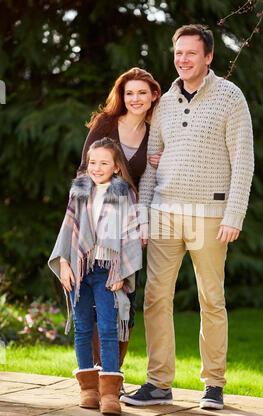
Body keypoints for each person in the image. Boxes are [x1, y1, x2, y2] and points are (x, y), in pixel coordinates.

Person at [121, 24, 254, 410]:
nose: (182, 60)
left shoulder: (230, 97)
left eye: (191, 53)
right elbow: (150, 163)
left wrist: (234, 214)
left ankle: (214, 385)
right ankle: (159, 383)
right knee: (156, 298)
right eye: (178, 53)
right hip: (163, 212)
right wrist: (144, 213)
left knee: (211, 299)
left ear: (208, 57)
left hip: (211, 215)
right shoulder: (163, 102)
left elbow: (243, 161)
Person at [48, 138, 142, 415]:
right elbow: (68, 230)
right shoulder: (79, 191)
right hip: (79, 268)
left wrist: (122, 273)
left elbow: (130, 236)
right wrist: (64, 264)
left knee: (108, 328)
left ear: (115, 167)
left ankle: (110, 393)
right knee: (83, 328)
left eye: (103, 163)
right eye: (92, 162)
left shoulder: (123, 193)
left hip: (109, 270)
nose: (96, 167)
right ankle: (88, 390)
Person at [78, 68, 161, 372]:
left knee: (124, 297)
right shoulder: (106, 123)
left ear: (154, 96)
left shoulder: (155, 132)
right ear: (121, 95)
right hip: (97, 220)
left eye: (142, 92)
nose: (135, 99)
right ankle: (96, 372)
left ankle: (113, 375)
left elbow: (154, 180)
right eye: (129, 93)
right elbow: (84, 170)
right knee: (97, 297)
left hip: (130, 224)